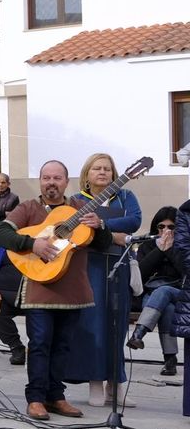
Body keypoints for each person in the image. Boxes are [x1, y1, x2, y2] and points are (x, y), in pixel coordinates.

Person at [0, 161, 107, 421]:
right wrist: (32, 244)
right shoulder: (28, 208)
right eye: (46, 177)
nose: (51, 182)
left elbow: (102, 244)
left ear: (67, 181)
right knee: (41, 344)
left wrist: (101, 227)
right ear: (40, 181)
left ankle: (56, 396)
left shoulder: (80, 208)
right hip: (39, 288)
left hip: (73, 290)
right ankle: (35, 398)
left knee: (63, 346)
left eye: (56, 177)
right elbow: (0, 233)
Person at [63, 153, 140, 407]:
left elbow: (135, 220)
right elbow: (75, 229)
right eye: (97, 168)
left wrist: (101, 223)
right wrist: (112, 232)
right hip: (89, 267)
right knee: (93, 326)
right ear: (87, 173)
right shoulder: (76, 201)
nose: (103, 172)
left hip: (119, 266)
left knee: (117, 325)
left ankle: (115, 385)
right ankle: (95, 382)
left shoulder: (126, 196)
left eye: (107, 168)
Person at [128, 205, 184, 377]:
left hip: (179, 293)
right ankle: (170, 361)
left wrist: (172, 250)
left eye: (171, 227)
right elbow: (140, 274)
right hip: (152, 295)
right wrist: (159, 250)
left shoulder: (184, 245)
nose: (165, 230)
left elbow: (185, 271)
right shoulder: (148, 245)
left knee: (165, 291)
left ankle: (139, 333)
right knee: (165, 307)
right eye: (161, 227)